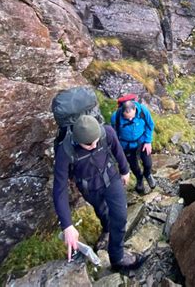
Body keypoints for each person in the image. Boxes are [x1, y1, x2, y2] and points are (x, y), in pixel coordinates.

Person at [53, 115, 145, 272]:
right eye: (89, 145)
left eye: (96, 141)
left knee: (120, 216)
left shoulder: (106, 132)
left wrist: (124, 170)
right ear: (77, 139)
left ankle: (117, 257)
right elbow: (59, 189)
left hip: (111, 178)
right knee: (102, 211)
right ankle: (107, 229)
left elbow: (117, 148)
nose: (94, 145)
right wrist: (67, 225)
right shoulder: (65, 151)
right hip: (89, 187)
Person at [110, 95, 156, 194]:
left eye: (132, 117)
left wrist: (148, 141)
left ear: (135, 109)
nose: (130, 120)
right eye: (127, 118)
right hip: (126, 146)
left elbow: (150, 125)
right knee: (134, 166)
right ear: (122, 111)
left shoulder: (143, 110)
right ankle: (139, 179)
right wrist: (117, 148)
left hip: (142, 141)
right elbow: (114, 134)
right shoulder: (116, 117)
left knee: (148, 163)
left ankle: (148, 174)